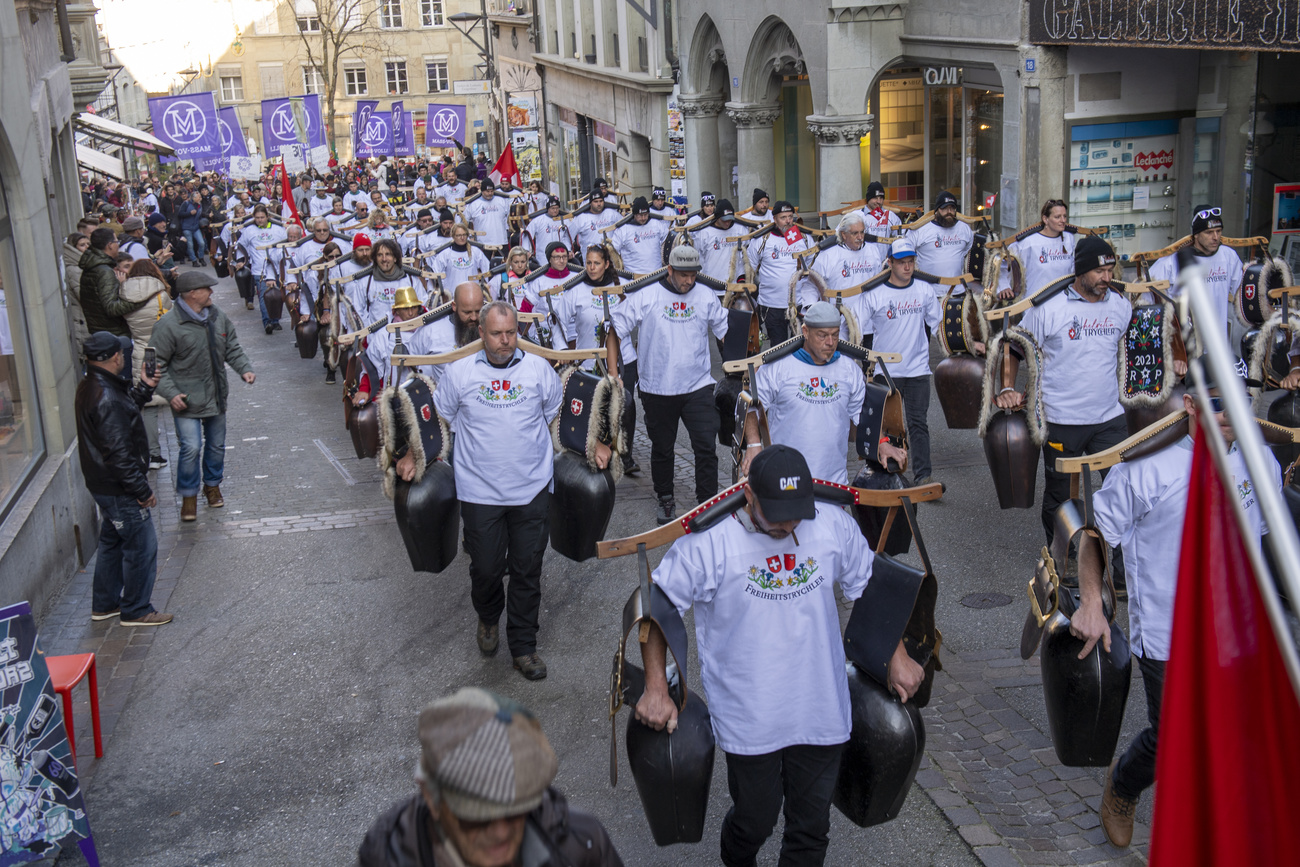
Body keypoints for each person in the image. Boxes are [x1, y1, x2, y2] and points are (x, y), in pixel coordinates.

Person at [635, 444, 923, 867]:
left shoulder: (831, 527)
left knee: (810, 828)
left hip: (820, 706)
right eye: (776, 514)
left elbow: (867, 582)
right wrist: (655, 688)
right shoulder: (710, 542)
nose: (789, 525)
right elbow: (659, 605)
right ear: (749, 496)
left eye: (797, 514)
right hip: (750, 715)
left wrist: (893, 653)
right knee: (756, 818)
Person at [1070, 372, 1279, 848]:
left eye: (1244, 402)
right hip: (1169, 628)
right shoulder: (1146, 467)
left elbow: (1260, 540)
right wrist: (1090, 605)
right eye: (1222, 404)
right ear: (1190, 405)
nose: (1235, 415)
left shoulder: (1259, 459)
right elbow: (1095, 536)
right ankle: (1124, 783)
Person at [428, 302, 583, 680]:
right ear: (481, 332)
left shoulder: (537, 370)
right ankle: (487, 615)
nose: (505, 341)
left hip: (530, 489)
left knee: (528, 569)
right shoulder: (460, 373)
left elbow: (551, 413)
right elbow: (444, 417)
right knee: (485, 568)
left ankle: (524, 646)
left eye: (511, 333)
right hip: (479, 491)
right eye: (497, 334)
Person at [995, 237, 1167, 547]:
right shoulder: (1048, 307)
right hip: (1061, 419)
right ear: (1080, 271)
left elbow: (1139, 349)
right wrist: (1008, 386)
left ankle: (1119, 563)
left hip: (1109, 419)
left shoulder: (1119, 305)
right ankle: (1063, 559)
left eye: (1110, 270)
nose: (1107, 278)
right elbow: (1015, 349)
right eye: (1100, 271)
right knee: (1061, 495)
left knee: (1123, 490)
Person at [357, 687, 623, 867]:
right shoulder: (385, 856)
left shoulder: (582, 845)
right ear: (431, 796)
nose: (500, 832)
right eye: (476, 817)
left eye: (515, 812)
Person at [608, 246, 728, 524]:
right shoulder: (647, 295)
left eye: (693, 276)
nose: (689, 281)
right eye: (683, 275)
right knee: (662, 448)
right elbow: (615, 329)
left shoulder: (706, 295)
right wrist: (615, 373)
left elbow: (726, 332)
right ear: (670, 270)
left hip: (698, 386)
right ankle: (665, 498)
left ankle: (707, 503)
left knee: (705, 447)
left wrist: (737, 368)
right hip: (657, 387)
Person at [75, 331, 173, 627]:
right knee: (141, 544)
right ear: (114, 357)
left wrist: (145, 388)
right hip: (117, 487)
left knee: (112, 541)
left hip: (104, 484)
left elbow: (124, 410)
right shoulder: (105, 395)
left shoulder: (94, 385)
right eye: (121, 352)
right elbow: (118, 453)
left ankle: (104, 604)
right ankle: (136, 608)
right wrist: (142, 491)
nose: (124, 357)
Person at [149, 270, 256, 522]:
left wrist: (245, 368)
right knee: (191, 448)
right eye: (207, 289)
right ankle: (188, 495)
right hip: (184, 399)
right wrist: (171, 393)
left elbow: (232, 347)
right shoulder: (168, 325)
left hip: (216, 395)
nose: (211, 292)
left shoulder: (217, 316)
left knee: (217, 446)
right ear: (192, 293)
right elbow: (154, 366)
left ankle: (212, 485)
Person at [742, 301, 884, 485]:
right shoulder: (777, 368)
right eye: (822, 336)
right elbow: (751, 406)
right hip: (786, 480)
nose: (830, 342)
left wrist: (882, 443)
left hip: (834, 481)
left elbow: (862, 417)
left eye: (835, 335)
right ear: (805, 331)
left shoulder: (849, 370)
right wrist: (753, 445)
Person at [853, 239, 942, 484]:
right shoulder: (874, 293)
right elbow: (857, 329)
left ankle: (923, 476)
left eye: (911, 262)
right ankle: (889, 475)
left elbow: (938, 324)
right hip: (886, 370)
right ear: (890, 262)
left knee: (918, 423)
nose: (907, 267)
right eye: (901, 262)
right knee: (889, 427)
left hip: (917, 369)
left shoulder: (924, 290)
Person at [1146, 206, 1243, 356]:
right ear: (1196, 235)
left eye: (1219, 231)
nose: (1215, 237)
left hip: (1218, 347)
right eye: (1209, 232)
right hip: (1184, 349)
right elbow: (1147, 295)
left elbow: (1241, 294)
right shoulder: (1173, 261)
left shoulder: (1228, 257)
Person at [120, 259, 173, 469]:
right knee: (175, 397)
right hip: (163, 349)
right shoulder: (161, 295)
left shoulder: (123, 294)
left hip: (141, 350)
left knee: (148, 405)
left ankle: (153, 454)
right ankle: (185, 445)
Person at [746, 200, 817, 345]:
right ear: (775, 219)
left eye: (790, 216)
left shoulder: (803, 238)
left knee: (800, 345)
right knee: (778, 347)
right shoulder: (762, 239)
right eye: (783, 217)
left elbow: (812, 259)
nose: (788, 221)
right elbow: (750, 266)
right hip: (772, 303)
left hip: (799, 302)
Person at [997, 199, 1076, 300]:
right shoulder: (1028, 243)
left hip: (1063, 302)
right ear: (1045, 219)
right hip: (1035, 303)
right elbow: (1003, 263)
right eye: (1057, 217)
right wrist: (1004, 286)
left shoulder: (1069, 239)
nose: (1063, 220)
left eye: (1064, 216)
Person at [79, 227, 141, 337]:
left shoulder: (94, 266)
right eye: (116, 241)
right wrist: (140, 300)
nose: (118, 245)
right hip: (113, 332)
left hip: (101, 329)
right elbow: (111, 308)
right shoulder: (104, 271)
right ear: (110, 245)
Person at [813, 211, 886, 300]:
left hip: (869, 311)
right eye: (855, 233)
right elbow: (811, 285)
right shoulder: (828, 255)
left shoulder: (873, 251)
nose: (860, 237)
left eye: (862, 232)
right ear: (844, 234)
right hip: (839, 311)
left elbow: (878, 284)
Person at [909, 190, 973, 285]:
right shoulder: (921, 229)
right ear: (937, 210)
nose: (949, 212)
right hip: (929, 291)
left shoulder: (964, 228)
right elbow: (907, 253)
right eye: (945, 208)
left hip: (958, 290)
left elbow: (966, 251)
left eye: (952, 208)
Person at [609, 197, 669, 276]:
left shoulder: (656, 224)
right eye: (640, 215)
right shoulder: (623, 230)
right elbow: (613, 252)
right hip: (633, 278)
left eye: (645, 214)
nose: (643, 218)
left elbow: (667, 240)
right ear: (634, 214)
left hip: (657, 275)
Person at [692, 198, 743, 290]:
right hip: (710, 285)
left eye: (730, 219)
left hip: (733, 287)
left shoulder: (739, 230)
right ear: (717, 217)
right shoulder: (704, 233)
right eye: (724, 220)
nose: (727, 222)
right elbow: (696, 255)